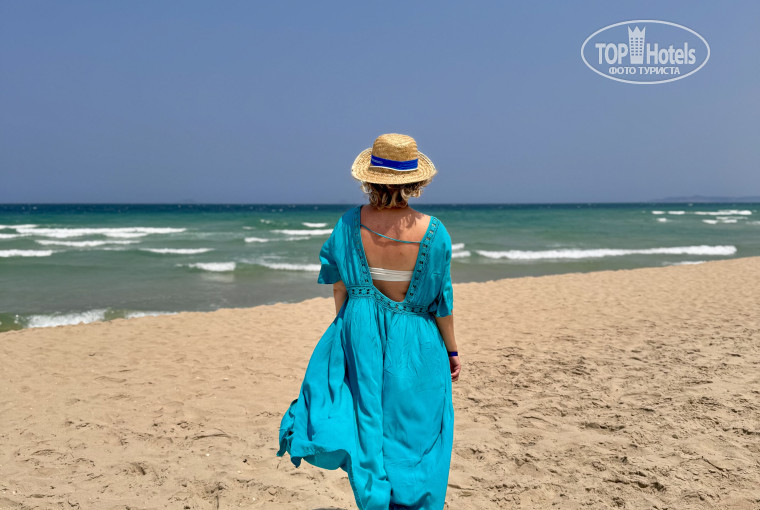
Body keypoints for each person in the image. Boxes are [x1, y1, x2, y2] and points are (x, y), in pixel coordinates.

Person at [277, 133, 460, 510]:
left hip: (359, 334)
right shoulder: (434, 231)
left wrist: (346, 332)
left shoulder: (348, 224)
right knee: (417, 434)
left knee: (368, 427)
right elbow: (441, 302)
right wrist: (453, 350)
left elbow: (339, 287)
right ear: (415, 180)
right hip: (418, 340)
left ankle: (376, 499)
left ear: (370, 178)